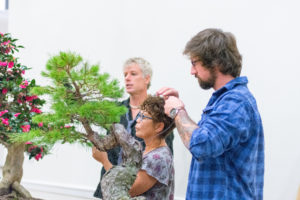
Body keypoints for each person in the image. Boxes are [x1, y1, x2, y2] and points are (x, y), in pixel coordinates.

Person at [157, 28, 264, 200]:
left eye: (194, 63)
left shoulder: (236, 103)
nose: (192, 72)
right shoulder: (225, 100)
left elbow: (202, 145)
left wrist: (177, 111)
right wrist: (179, 109)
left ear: (215, 63)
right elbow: (207, 137)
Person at [92, 57, 174, 198]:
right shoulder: (115, 110)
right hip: (109, 187)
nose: (127, 78)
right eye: (125, 75)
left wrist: (104, 161)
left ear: (147, 78)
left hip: (132, 189)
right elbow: (106, 145)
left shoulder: (159, 113)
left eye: (133, 74)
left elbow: (165, 153)